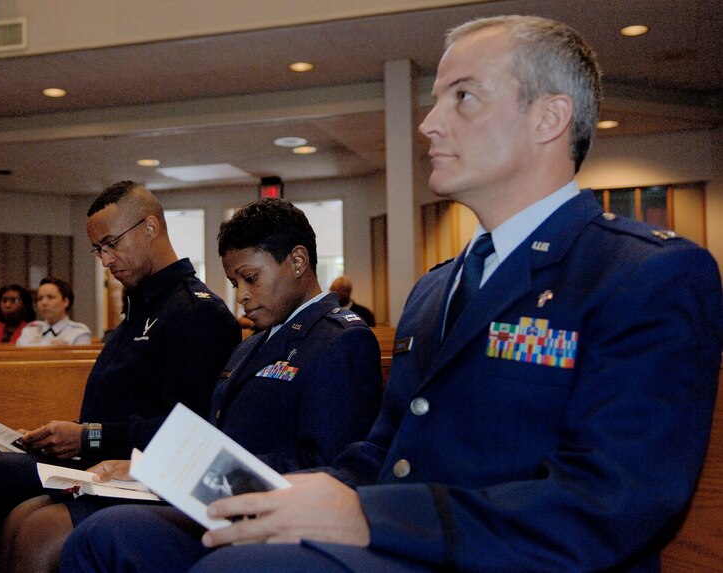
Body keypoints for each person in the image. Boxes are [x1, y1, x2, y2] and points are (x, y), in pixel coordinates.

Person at [62, 16, 723, 573]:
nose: (430, 123)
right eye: (436, 100)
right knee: (112, 536)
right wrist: (271, 492)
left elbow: (610, 503)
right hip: (402, 535)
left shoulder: (643, 274)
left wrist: (367, 515)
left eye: (463, 97)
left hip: (504, 554)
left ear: (549, 117)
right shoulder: (437, 288)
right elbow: (381, 452)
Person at [2, 197, 382, 572]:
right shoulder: (252, 344)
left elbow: (327, 470)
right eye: (234, 282)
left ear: (297, 261)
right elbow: (216, 435)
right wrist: (149, 467)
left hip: (267, 520)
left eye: (250, 278)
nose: (241, 295)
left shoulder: (339, 340)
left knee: (81, 532)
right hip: (214, 500)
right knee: (29, 516)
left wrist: (195, 473)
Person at [0, 180, 241, 572]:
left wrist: (88, 435)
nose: (105, 260)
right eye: (98, 249)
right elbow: (117, 406)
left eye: (112, 244)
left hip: (129, 468)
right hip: (94, 456)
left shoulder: (195, 312)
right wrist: (64, 436)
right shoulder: (140, 306)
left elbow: (187, 429)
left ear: (150, 228)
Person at [16, 277, 92, 346]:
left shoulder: (78, 333)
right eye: (40, 298)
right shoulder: (29, 330)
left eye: (50, 297)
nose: (44, 303)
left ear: (65, 301)